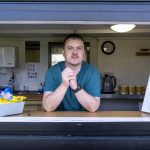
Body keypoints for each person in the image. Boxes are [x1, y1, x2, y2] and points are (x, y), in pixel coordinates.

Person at [42, 34, 101, 112]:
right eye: (70, 48)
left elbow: (93, 107)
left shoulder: (92, 72)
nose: (75, 52)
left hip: (85, 120)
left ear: (83, 53)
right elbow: (48, 107)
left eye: (79, 48)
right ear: (63, 53)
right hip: (58, 120)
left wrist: (75, 87)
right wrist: (64, 85)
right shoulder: (52, 72)